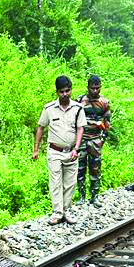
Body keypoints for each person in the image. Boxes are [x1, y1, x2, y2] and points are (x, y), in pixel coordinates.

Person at [33, 75, 85, 224]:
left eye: (67, 91)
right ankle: (57, 213)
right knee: (55, 182)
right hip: (54, 152)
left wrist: (76, 148)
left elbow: (80, 128)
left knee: (70, 184)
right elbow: (41, 127)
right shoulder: (49, 109)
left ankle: (66, 211)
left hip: (71, 152)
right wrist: (36, 149)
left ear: (71, 90)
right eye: (61, 92)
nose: (65, 94)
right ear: (57, 92)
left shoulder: (78, 108)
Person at [75, 75, 112, 207]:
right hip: (82, 139)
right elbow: (74, 120)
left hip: (95, 139)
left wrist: (102, 140)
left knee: (95, 169)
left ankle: (94, 196)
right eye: (92, 88)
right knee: (80, 168)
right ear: (88, 87)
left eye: (97, 88)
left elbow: (107, 123)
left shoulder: (104, 102)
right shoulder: (80, 100)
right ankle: (81, 196)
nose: (95, 91)